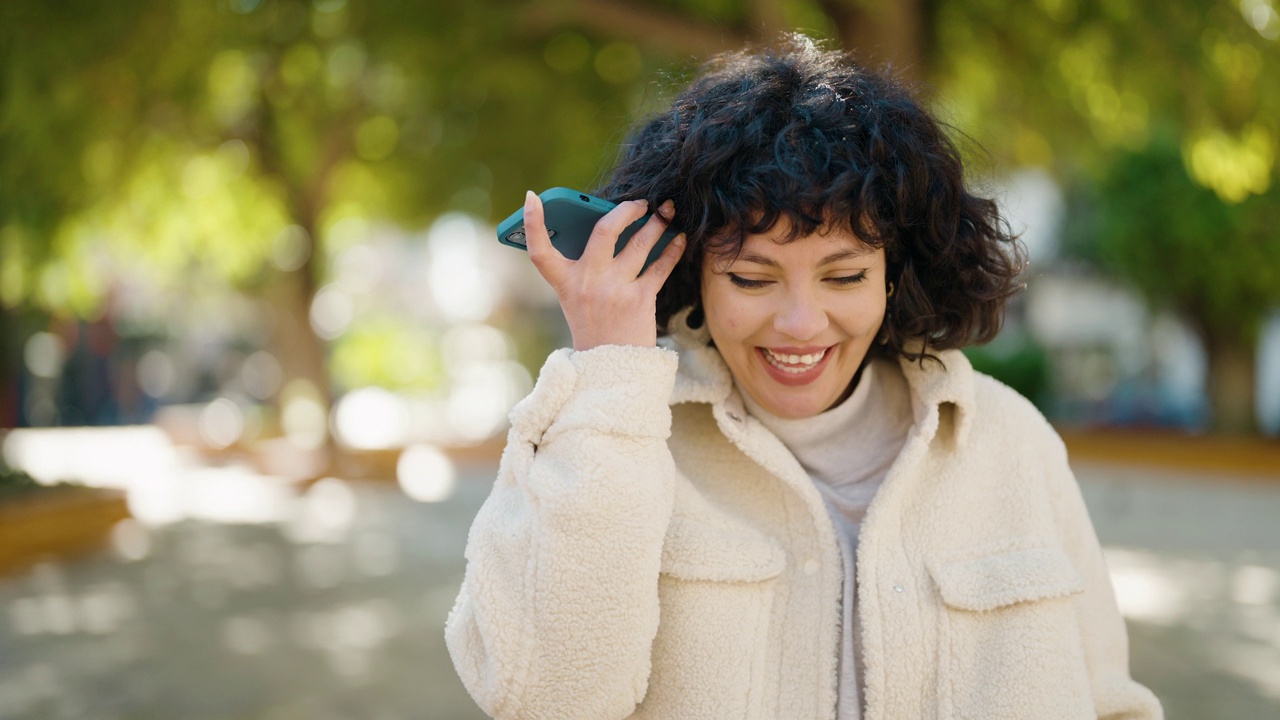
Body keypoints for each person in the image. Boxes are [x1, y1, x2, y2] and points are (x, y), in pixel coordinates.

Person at [445, 34, 1163, 720]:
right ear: (691, 270)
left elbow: (1111, 702)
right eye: (752, 278)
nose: (800, 323)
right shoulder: (604, 427)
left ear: (896, 275)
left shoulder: (1011, 442)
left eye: (845, 275)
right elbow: (544, 696)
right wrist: (607, 375)